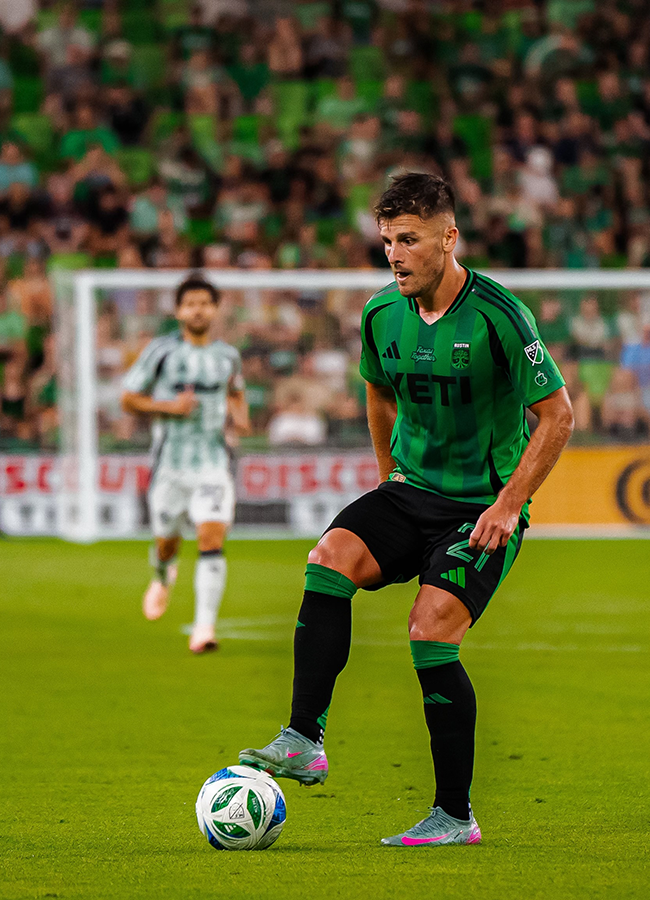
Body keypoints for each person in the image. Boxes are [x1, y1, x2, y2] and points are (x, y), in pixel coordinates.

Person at [237, 173, 574, 848]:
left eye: (410, 240)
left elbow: (557, 415)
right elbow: (377, 396)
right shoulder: (379, 315)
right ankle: (304, 737)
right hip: (409, 491)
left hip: (479, 507)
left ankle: (455, 815)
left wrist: (511, 504)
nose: (394, 254)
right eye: (387, 239)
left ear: (449, 239)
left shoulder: (499, 316)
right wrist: (387, 482)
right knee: (328, 559)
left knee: (429, 634)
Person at [119, 274, 250, 654]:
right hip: (169, 468)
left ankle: (204, 628)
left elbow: (237, 392)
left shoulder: (227, 355)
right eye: (190, 303)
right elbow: (128, 398)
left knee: (211, 538)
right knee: (166, 543)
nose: (197, 309)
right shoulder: (161, 352)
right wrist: (168, 408)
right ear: (178, 311)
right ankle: (162, 574)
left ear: (215, 309)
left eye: (204, 303)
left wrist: (240, 417)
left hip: (213, 463)